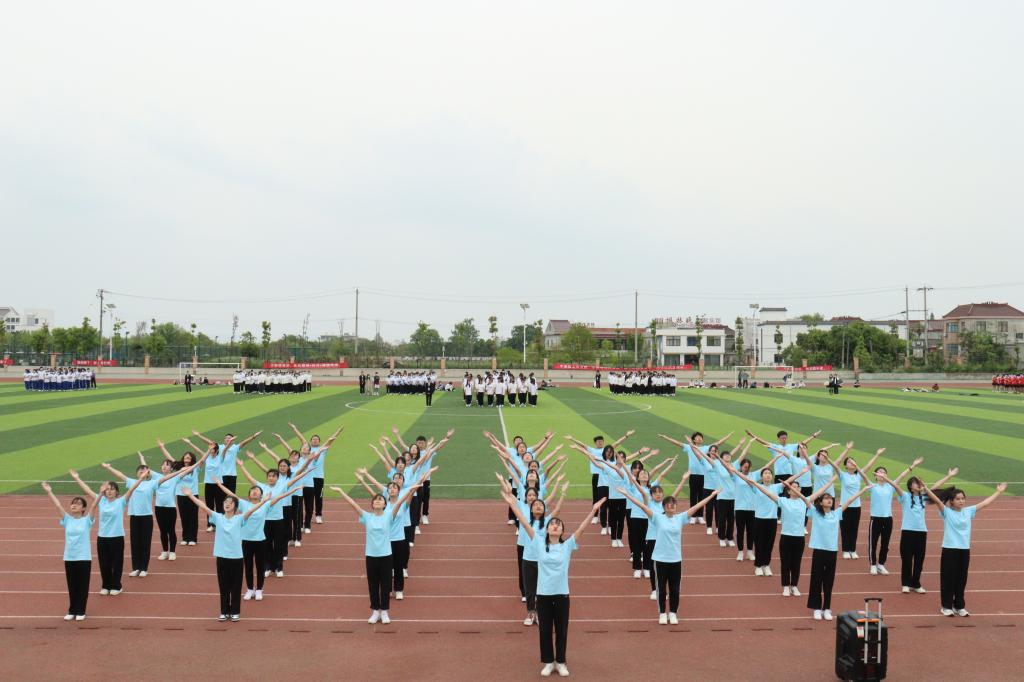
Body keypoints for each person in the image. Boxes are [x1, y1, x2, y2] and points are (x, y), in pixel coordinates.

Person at [504, 492, 605, 678]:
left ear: (562, 531)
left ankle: (561, 661)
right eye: (552, 524)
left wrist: (593, 511)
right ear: (547, 529)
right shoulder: (538, 543)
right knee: (544, 631)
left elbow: (581, 529)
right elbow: (525, 524)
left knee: (561, 630)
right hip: (543, 595)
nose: (555, 525)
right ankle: (549, 662)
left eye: (558, 524)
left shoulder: (567, 546)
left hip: (562, 595)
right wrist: (514, 505)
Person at [330, 477, 430, 625]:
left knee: (385, 584)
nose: (377, 501)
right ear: (372, 504)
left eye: (380, 500)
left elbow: (400, 502)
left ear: (385, 504)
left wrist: (411, 489)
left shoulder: (389, 516)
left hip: (386, 556)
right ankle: (375, 611)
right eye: (375, 500)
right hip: (371, 556)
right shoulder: (367, 517)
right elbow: (353, 504)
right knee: (372, 585)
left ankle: (384, 612)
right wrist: (341, 492)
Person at [619, 482, 720, 624]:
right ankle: (662, 613)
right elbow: (642, 506)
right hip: (660, 559)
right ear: (664, 507)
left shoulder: (680, 518)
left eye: (673, 505)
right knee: (661, 589)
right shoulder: (657, 518)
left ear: (676, 507)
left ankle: (672, 613)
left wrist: (712, 495)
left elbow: (697, 506)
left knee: (675, 589)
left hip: (675, 559)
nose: (671, 507)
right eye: (668, 505)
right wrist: (626, 494)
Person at [180, 487, 270, 621]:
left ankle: (235, 611)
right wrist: (190, 495)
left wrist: (263, 501)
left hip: (236, 557)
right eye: (225, 502)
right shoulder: (217, 517)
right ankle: (224, 611)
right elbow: (203, 506)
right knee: (223, 585)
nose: (227, 504)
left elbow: (251, 510)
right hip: (222, 557)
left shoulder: (239, 518)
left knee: (236, 586)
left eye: (230, 502)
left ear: (235, 506)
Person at [923, 481, 1008, 616]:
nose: (961, 501)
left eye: (963, 498)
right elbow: (937, 500)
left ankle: (959, 606)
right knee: (948, 578)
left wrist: (998, 492)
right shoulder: (946, 512)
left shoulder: (968, 511)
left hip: (964, 550)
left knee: (961, 579)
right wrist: (926, 488)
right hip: (949, 549)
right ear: (951, 501)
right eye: (958, 499)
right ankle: (946, 606)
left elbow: (985, 503)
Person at [215, 477, 300, 601]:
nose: (254, 492)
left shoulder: (265, 505)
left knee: (260, 566)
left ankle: (259, 589)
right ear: (249, 494)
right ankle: (250, 589)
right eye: (252, 490)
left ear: (261, 495)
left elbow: (279, 497)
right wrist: (219, 484)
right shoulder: (243, 504)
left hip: (260, 540)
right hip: (246, 541)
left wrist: (293, 490)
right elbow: (231, 494)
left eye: (257, 490)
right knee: (248, 566)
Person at [804, 480, 874, 620]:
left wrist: (862, 490)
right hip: (819, 550)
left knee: (829, 580)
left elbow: (849, 501)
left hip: (832, 551)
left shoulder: (836, 513)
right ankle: (816, 608)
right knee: (816, 579)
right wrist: (792, 488)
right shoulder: (815, 513)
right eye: (826, 498)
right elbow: (806, 500)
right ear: (821, 502)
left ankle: (827, 608)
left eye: (831, 498)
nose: (829, 500)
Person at [68, 470, 145, 596]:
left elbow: (132, 489)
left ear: (117, 492)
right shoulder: (101, 501)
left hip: (117, 537)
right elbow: (87, 490)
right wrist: (77, 478)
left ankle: (116, 586)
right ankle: (106, 585)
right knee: (104, 563)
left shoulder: (121, 501)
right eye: (107, 489)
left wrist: (141, 478)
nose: (109, 491)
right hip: (102, 537)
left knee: (117, 563)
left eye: (112, 489)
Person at [885, 467, 958, 593]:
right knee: (907, 559)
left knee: (919, 560)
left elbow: (936, 487)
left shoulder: (924, 497)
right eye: (916, 483)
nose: (918, 484)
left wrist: (949, 476)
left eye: (919, 482)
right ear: (910, 486)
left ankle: (916, 584)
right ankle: (906, 584)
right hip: (907, 532)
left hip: (921, 532)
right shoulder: (905, 496)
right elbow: (895, 486)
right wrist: (885, 478)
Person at [41, 481, 99, 621]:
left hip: (83, 557)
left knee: (82, 585)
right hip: (69, 557)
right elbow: (58, 505)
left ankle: (81, 611)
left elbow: (94, 505)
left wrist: (101, 493)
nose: (74, 505)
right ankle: (72, 610)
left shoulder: (87, 521)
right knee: (72, 585)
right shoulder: (67, 519)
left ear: (83, 508)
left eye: (78, 503)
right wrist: (49, 491)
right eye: (73, 503)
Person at [868, 457, 924, 576]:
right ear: (875, 476)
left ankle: (881, 564)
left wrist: (913, 465)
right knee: (873, 542)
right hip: (875, 518)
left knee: (885, 543)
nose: (882, 474)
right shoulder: (872, 486)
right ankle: (873, 564)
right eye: (879, 472)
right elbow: (863, 475)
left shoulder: (890, 487)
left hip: (888, 519)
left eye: (884, 472)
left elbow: (902, 476)